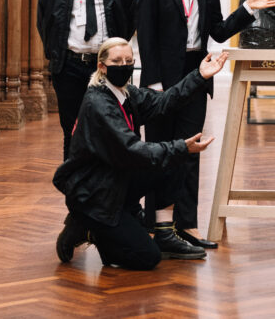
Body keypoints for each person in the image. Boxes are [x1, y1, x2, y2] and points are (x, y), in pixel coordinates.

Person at [137, 0, 275, 250]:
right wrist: (154, 83)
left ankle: (187, 225)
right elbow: (145, 36)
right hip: (161, 78)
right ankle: (155, 226)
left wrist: (247, 9)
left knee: (190, 150)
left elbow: (216, 31)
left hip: (197, 74)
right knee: (158, 150)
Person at [52, 38, 229, 270]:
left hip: (116, 181)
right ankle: (87, 227)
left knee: (173, 158)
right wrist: (180, 147)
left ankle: (164, 234)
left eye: (128, 61)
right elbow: (132, 150)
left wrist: (199, 76)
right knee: (147, 258)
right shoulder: (98, 104)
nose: (123, 65)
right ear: (101, 67)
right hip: (95, 194)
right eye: (116, 61)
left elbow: (163, 102)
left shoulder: (126, 94)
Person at [37, 0, 137, 160]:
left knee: (111, 128)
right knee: (72, 130)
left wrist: (115, 55)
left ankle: (107, 192)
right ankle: (76, 190)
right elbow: (44, 21)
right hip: (69, 66)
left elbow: (129, 19)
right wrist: (56, 56)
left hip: (107, 68)